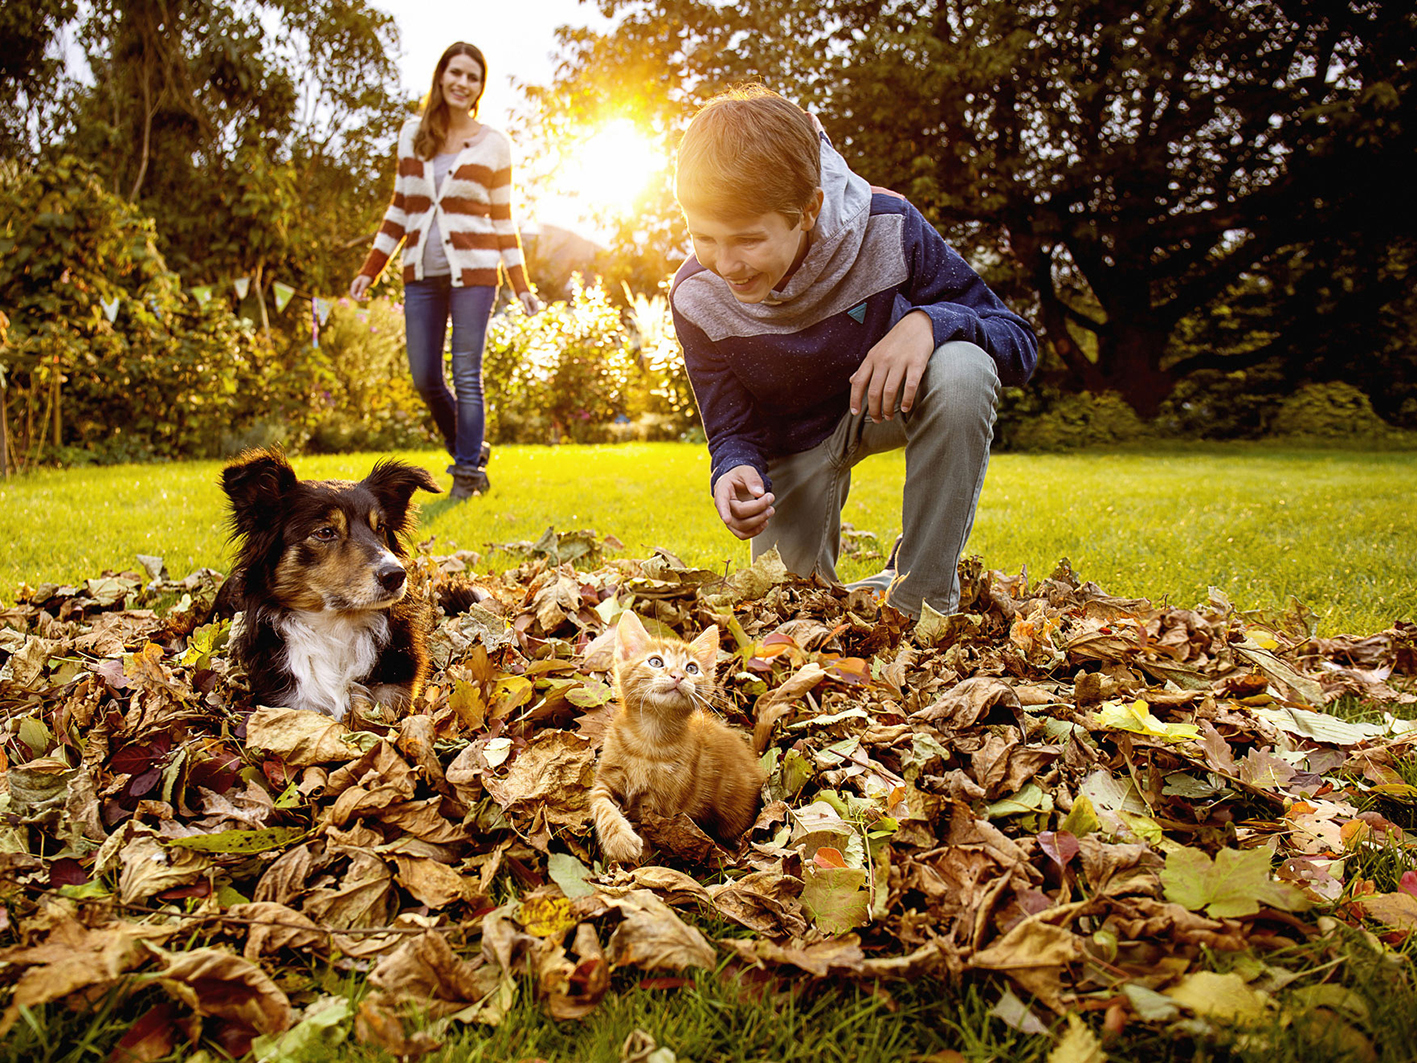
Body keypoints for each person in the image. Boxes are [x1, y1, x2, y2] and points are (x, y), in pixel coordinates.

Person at [670, 86, 1039, 618]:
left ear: (808, 210)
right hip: (793, 440)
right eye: (703, 236)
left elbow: (1018, 341)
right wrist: (732, 466)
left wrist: (928, 323)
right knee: (791, 614)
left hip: (885, 399)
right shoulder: (694, 294)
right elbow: (729, 422)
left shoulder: (889, 227)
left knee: (963, 367)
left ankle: (922, 604)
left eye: (749, 240)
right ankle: (882, 581)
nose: (725, 264)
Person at [350, 41, 540, 500]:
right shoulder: (412, 135)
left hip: (475, 276)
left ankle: (467, 475)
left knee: (467, 374)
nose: (463, 83)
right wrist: (370, 270)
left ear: (480, 87)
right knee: (424, 377)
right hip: (420, 274)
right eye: (456, 73)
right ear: (441, 77)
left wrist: (522, 285)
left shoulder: (494, 144)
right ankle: (470, 451)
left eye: (473, 77)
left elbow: (502, 219)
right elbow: (399, 209)